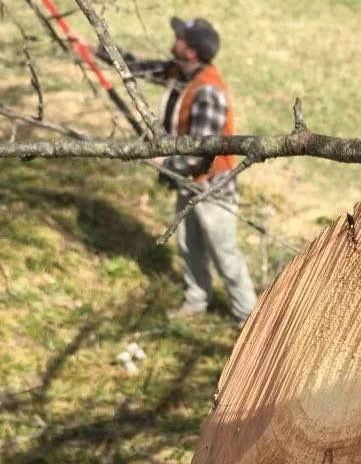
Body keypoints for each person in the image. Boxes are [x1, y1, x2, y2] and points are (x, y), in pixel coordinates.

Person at [96, 16, 257, 326]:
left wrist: (164, 162)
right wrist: (96, 50)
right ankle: (198, 299)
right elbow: (137, 66)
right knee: (188, 245)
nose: (174, 38)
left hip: (212, 186)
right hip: (187, 183)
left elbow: (202, 153)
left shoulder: (208, 92)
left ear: (192, 51)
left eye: (180, 37)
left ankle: (248, 317)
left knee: (224, 252)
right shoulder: (179, 72)